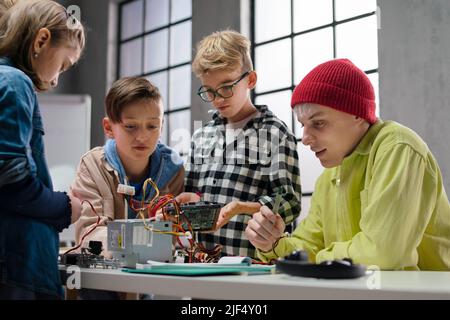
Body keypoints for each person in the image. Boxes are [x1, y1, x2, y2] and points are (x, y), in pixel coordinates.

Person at [246, 58, 450, 270]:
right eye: (303, 125)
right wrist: (273, 243)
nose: (305, 138)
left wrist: (317, 258)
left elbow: (382, 254)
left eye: (318, 123)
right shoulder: (328, 177)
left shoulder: (398, 147)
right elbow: (307, 246)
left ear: (357, 114)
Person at [179, 30, 302, 258]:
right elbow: (193, 196)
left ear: (251, 80)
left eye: (227, 87)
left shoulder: (275, 133)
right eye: (209, 91)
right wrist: (186, 203)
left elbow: (289, 202)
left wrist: (241, 207)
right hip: (201, 266)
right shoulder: (201, 137)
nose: (218, 99)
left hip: (254, 270)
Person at [0, 0, 85, 299]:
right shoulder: (14, 82)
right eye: (63, 65)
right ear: (41, 40)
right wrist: (65, 207)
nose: (56, 79)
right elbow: (12, 182)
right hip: (16, 267)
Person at [72, 76, 184, 257]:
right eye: (131, 126)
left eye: (152, 126)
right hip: (107, 280)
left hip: (157, 279)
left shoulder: (174, 169)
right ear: (109, 128)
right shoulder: (92, 166)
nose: (142, 137)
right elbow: (88, 234)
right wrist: (140, 240)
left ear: (162, 126)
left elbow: (175, 236)